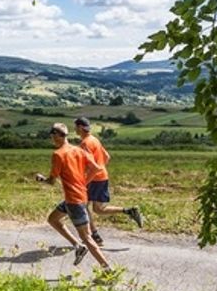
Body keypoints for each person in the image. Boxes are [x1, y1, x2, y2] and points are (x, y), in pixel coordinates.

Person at [34, 123, 112, 270]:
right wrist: (83, 181)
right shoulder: (78, 150)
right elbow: (96, 168)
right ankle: (77, 246)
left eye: (52, 135)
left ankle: (107, 269)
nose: (51, 138)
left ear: (56, 136)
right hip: (80, 195)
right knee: (53, 219)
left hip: (73, 201)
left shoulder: (58, 154)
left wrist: (41, 178)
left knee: (87, 237)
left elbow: (51, 181)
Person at [73, 116, 143, 246]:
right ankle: (129, 211)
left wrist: (85, 180)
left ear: (80, 128)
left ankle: (94, 236)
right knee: (98, 209)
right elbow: (106, 157)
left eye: (76, 127)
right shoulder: (95, 140)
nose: (75, 129)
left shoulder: (84, 144)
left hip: (93, 179)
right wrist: (100, 168)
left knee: (83, 206)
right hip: (102, 177)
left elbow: (93, 164)